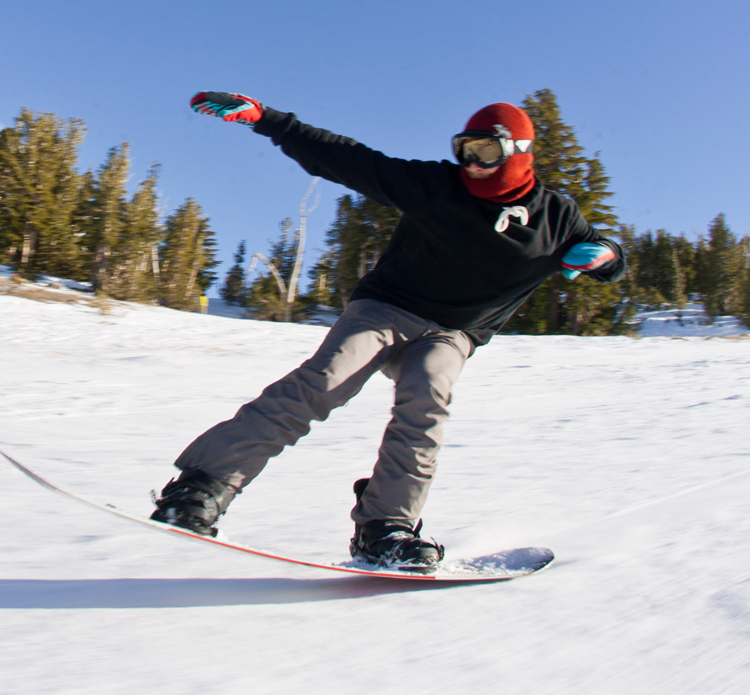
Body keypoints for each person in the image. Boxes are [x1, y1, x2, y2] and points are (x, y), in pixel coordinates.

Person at [150, 92, 626, 573]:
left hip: (453, 333)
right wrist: (268, 119)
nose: (471, 164)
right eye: (464, 149)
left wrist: (605, 256)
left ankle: (385, 529)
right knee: (324, 381)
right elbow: (350, 160)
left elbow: (607, 255)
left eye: (485, 151)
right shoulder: (438, 185)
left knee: (426, 403)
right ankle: (201, 488)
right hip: (386, 310)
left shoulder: (556, 217)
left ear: (518, 153)